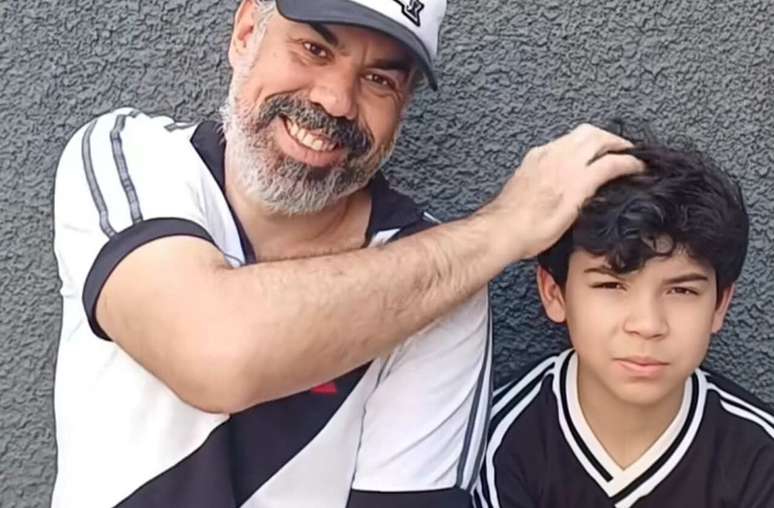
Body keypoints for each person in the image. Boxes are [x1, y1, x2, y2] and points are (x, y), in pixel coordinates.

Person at [51, 0, 642, 506]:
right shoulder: (131, 156)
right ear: (247, 32)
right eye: (313, 48)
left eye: (380, 80)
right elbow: (214, 353)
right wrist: (502, 229)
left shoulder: (446, 288)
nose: (336, 100)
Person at [474, 130, 774, 508]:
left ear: (720, 305)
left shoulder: (759, 456)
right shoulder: (500, 440)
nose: (647, 325)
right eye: (611, 286)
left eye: (681, 291)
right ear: (555, 293)